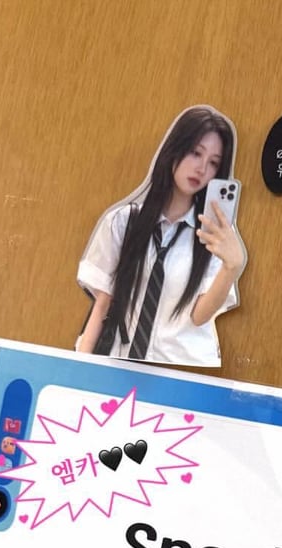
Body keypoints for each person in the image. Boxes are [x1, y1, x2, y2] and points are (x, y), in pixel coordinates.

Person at [75, 105, 246, 368]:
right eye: (195, 153)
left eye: (213, 162)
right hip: (121, 364)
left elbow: (199, 316)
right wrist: (79, 368)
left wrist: (231, 267)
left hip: (178, 369)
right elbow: (103, 303)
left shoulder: (215, 235)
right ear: (175, 149)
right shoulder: (122, 222)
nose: (202, 168)